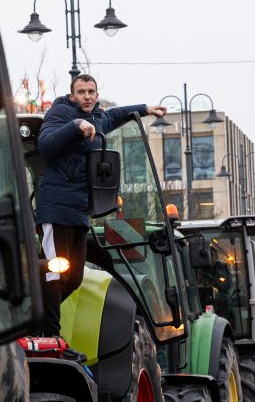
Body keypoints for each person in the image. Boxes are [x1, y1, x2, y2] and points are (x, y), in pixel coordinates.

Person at [35, 74, 166, 339]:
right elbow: (45, 145)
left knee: (74, 278)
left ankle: (34, 319)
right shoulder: (59, 115)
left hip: (80, 210)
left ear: (96, 95)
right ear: (72, 96)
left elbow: (116, 114)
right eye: (81, 92)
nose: (86, 96)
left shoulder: (99, 117)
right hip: (56, 208)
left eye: (91, 92)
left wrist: (144, 109)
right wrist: (75, 125)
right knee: (54, 271)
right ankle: (51, 336)